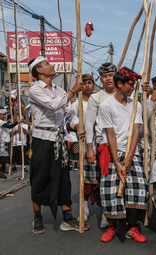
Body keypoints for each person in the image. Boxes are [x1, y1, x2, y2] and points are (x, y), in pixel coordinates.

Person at [28, 56, 88, 234]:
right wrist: (71, 92)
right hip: (42, 140)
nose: (51, 66)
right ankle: (37, 217)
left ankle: (67, 218)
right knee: (39, 179)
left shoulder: (60, 90)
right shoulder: (35, 90)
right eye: (47, 64)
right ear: (39, 70)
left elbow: (69, 113)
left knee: (64, 179)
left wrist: (77, 125)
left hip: (60, 140)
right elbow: (53, 106)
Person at [97, 67, 148, 243]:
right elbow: (110, 134)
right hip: (113, 154)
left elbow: (135, 132)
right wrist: (118, 162)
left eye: (134, 85)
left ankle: (133, 228)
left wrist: (128, 157)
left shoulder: (137, 105)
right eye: (130, 85)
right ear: (120, 84)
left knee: (138, 189)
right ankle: (112, 227)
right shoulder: (106, 105)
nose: (133, 88)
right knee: (110, 192)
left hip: (131, 153)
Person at [85, 63, 117, 228]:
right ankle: (107, 213)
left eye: (111, 75)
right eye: (105, 76)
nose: (108, 78)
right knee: (105, 182)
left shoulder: (123, 94)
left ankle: (124, 214)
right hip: (103, 146)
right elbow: (89, 124)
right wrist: (89, 147)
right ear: (101, 79)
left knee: (122, 180)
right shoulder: (95, 98)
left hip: (123, 145)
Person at [71, 73, 96, 221]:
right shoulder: (77, 104)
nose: (87, 85)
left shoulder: (99, 101)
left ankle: (106, 212)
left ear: (93, 85)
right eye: (84, 82)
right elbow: (69, 124)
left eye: (90, 82)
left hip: (100, 144)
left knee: (101, 178)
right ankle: (84, 210)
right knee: (84, 179)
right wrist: (79, 129)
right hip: (84, 145)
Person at [0, 107, 24, 179]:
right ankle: (0, 172)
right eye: (3, 115)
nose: (4, 116)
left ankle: (4, 170)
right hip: (1, 142)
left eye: (5, 115)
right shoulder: (0, 122)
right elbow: (9, 126)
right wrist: (17, 122)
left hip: (5, 141)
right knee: (1, 158)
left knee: (5, 157)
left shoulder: (4, 121)